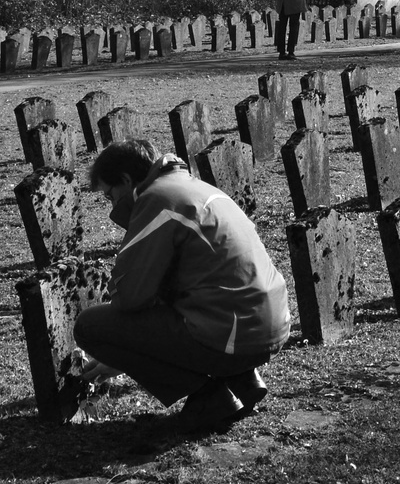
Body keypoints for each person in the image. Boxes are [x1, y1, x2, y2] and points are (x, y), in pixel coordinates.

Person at [73, 139, 290, 434]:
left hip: (232, 335)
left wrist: (125, 349)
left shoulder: (158, 199)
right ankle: (242, 381)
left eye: (110, 196)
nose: (112, 207)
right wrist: (129, 358)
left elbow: (129, 297)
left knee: (89, 326)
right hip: (267, 327)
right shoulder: (193, 187)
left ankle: (209, 397)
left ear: (125, 180)